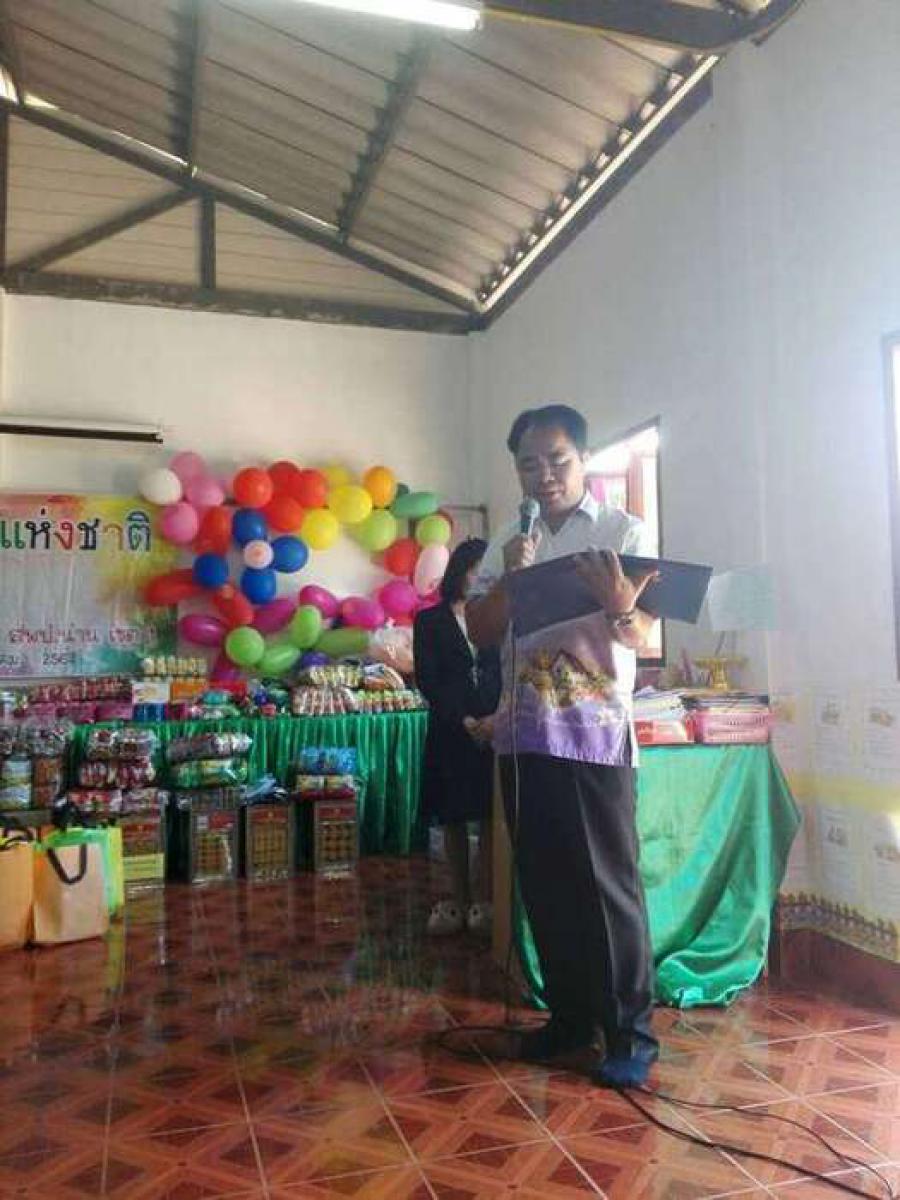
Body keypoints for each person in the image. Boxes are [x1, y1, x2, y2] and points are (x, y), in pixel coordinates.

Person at [466, 403, 660, 1089]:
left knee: (607, 887)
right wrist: (511, 579)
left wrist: (619, 604)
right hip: (524, 735)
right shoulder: (508, 539)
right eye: (529, 464)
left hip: (594, 735)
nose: (543, 475)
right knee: (545, 883)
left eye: (557, 460)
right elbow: (480, 631)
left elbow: (642, 636)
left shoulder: (620, 530)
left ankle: (630, 1034)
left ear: (582, 460)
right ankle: (571, 1021)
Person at [414, 538, 501, 937]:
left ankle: (485, 900)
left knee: (488, 816)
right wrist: (463, 720)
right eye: (474, 570)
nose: (480, 578)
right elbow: (429, 680)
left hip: (492, 729)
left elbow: (503, 672)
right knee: (453, 818)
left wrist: (493, 719)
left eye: (486, 572)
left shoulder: (499, 618)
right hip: (451, 730)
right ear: (459, 571)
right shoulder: (429, 621)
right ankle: (460, 899)